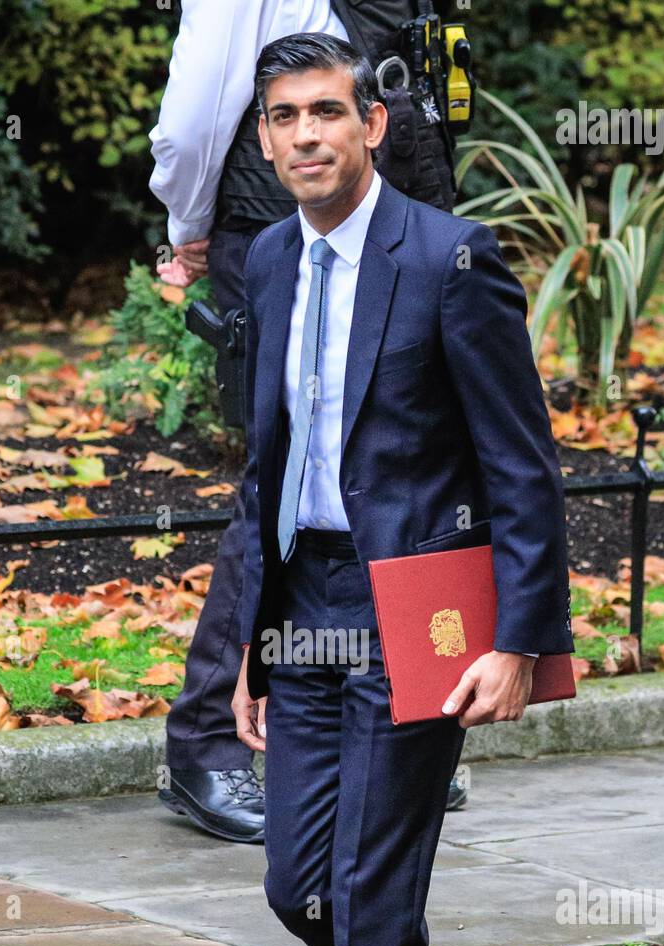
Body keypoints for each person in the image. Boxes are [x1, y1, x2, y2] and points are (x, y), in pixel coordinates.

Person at [231, 32, 574, 946]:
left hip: (421, 611)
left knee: (373, 899)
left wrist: (519, 639)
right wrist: (242, 644)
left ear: (371, 127)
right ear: (263, 140)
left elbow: (519, 463)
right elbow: (263, 473)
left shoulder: (446, 256)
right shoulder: (268, 259)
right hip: (308, 608)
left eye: (327, 112)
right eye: (285, 119)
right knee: (295, 888)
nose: (307, 135)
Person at [148, 0, 468, 844]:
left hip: (392, 219)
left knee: (403, 451)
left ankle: (411, 711)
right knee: (287, 480)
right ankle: (209, 744)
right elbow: (191, 119)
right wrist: (188, 231)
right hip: (278, 227)